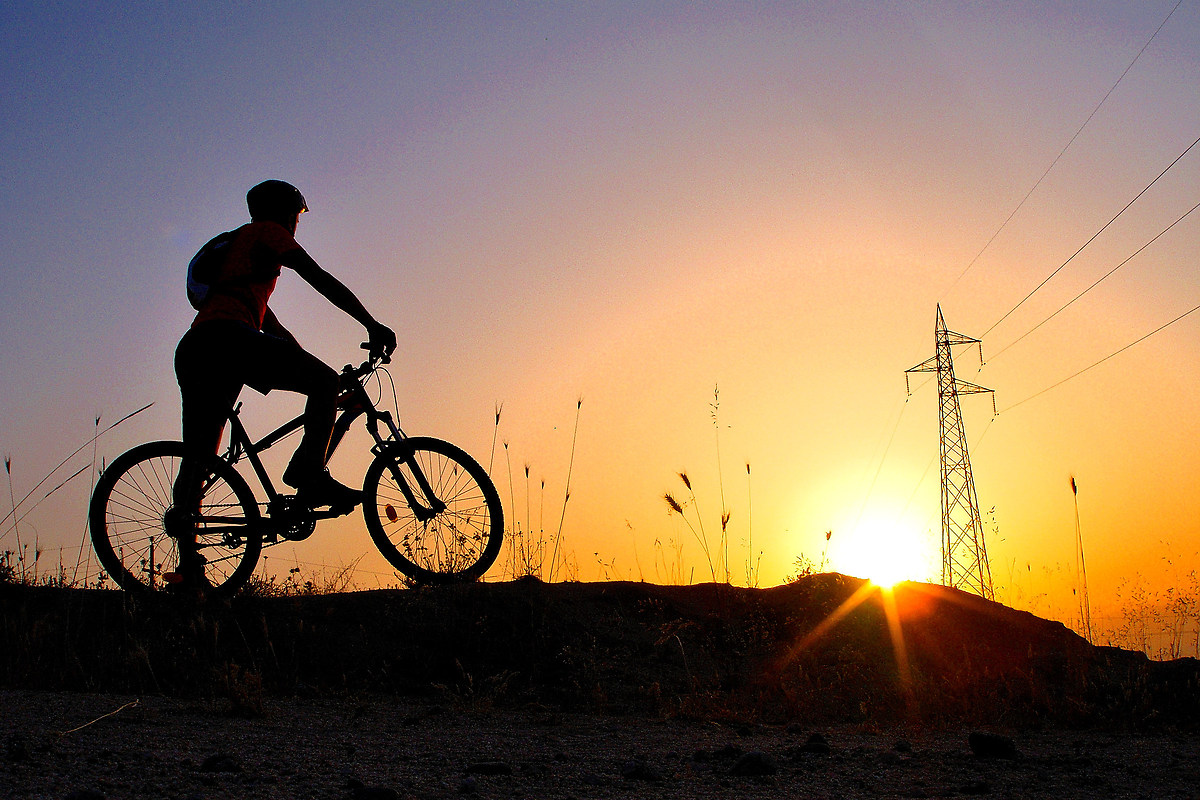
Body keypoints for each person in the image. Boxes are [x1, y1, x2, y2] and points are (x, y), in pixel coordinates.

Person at [171, 180, 396, 586]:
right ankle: (308, 475)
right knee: (322, 382)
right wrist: (371, 324)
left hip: (196, 347)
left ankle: (189, 568)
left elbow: (277, 338)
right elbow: (319, 278)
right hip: (229, 340)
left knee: (199, 456)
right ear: (283, 211)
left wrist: (320, 384)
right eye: (297, 212)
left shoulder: (240, 270)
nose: (297, 222)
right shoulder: (266, 231)